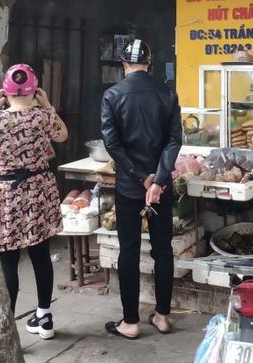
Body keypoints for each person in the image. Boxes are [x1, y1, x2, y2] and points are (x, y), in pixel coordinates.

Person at [0, 64, 68, 340]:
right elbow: (62, 135)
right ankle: (44, 317)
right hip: (39, 189)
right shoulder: (42, 117)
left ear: (5, 92)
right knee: (41, 254)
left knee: (8, 259)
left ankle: (9, 330)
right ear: (35, 90)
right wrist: (48, 106)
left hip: (6, 193)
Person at [101, 40, 182, 340]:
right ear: (149, 64)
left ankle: (130, 322)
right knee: (163, 250)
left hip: (129, 187)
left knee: (129, 251)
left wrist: (140, 178)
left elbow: (112, 144)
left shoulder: (112, 95)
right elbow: (174, 141)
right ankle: (162, 316)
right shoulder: (167, 93)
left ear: (124, 64)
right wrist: (158, 180)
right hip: (161, 187)